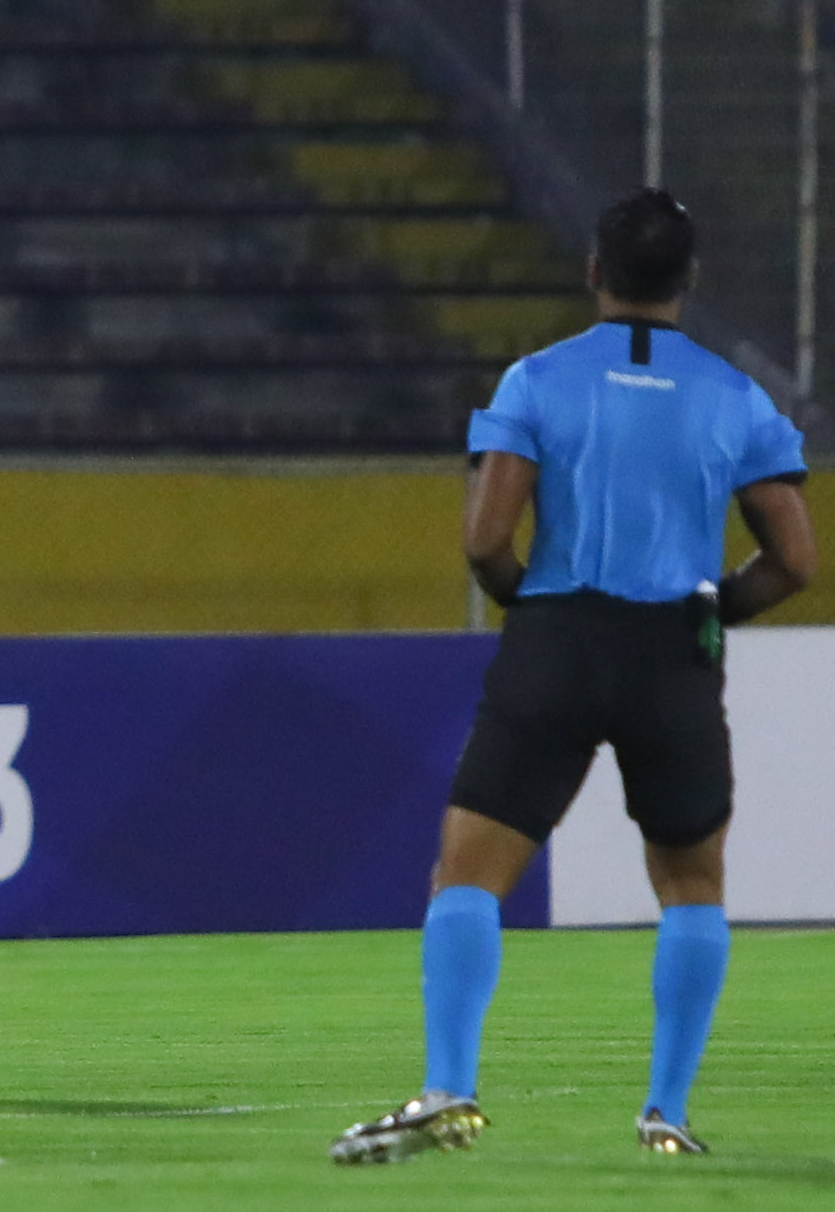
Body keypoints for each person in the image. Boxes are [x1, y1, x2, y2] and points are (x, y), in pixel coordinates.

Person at [330, 189, 815, 1166]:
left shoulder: (535, 379)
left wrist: (531, 604)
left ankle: (449, 1089)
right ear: (687, 279)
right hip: (672, 649)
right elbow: (793, 559)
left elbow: (483, 539)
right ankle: (663, 1116)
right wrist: (710, 611)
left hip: (556, 633)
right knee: (688, 884)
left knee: (466, 872)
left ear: (593, 270)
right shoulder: (735, 397)